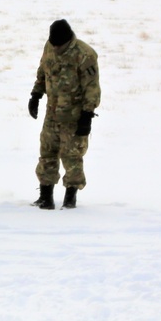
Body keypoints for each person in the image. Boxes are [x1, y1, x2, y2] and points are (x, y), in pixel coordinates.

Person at [28, 19, 100, 210]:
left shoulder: (85, 55)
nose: (56, 48)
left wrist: (87, 116)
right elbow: (43, 71)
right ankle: (45, 197)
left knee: (72, 157)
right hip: (51, 114)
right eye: (54, 44)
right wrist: (36, 95)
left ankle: (70, 201)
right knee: (47, 154)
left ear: (68, 40)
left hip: (74, 117)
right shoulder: (50, 46)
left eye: (60, 45)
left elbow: (92, 88)